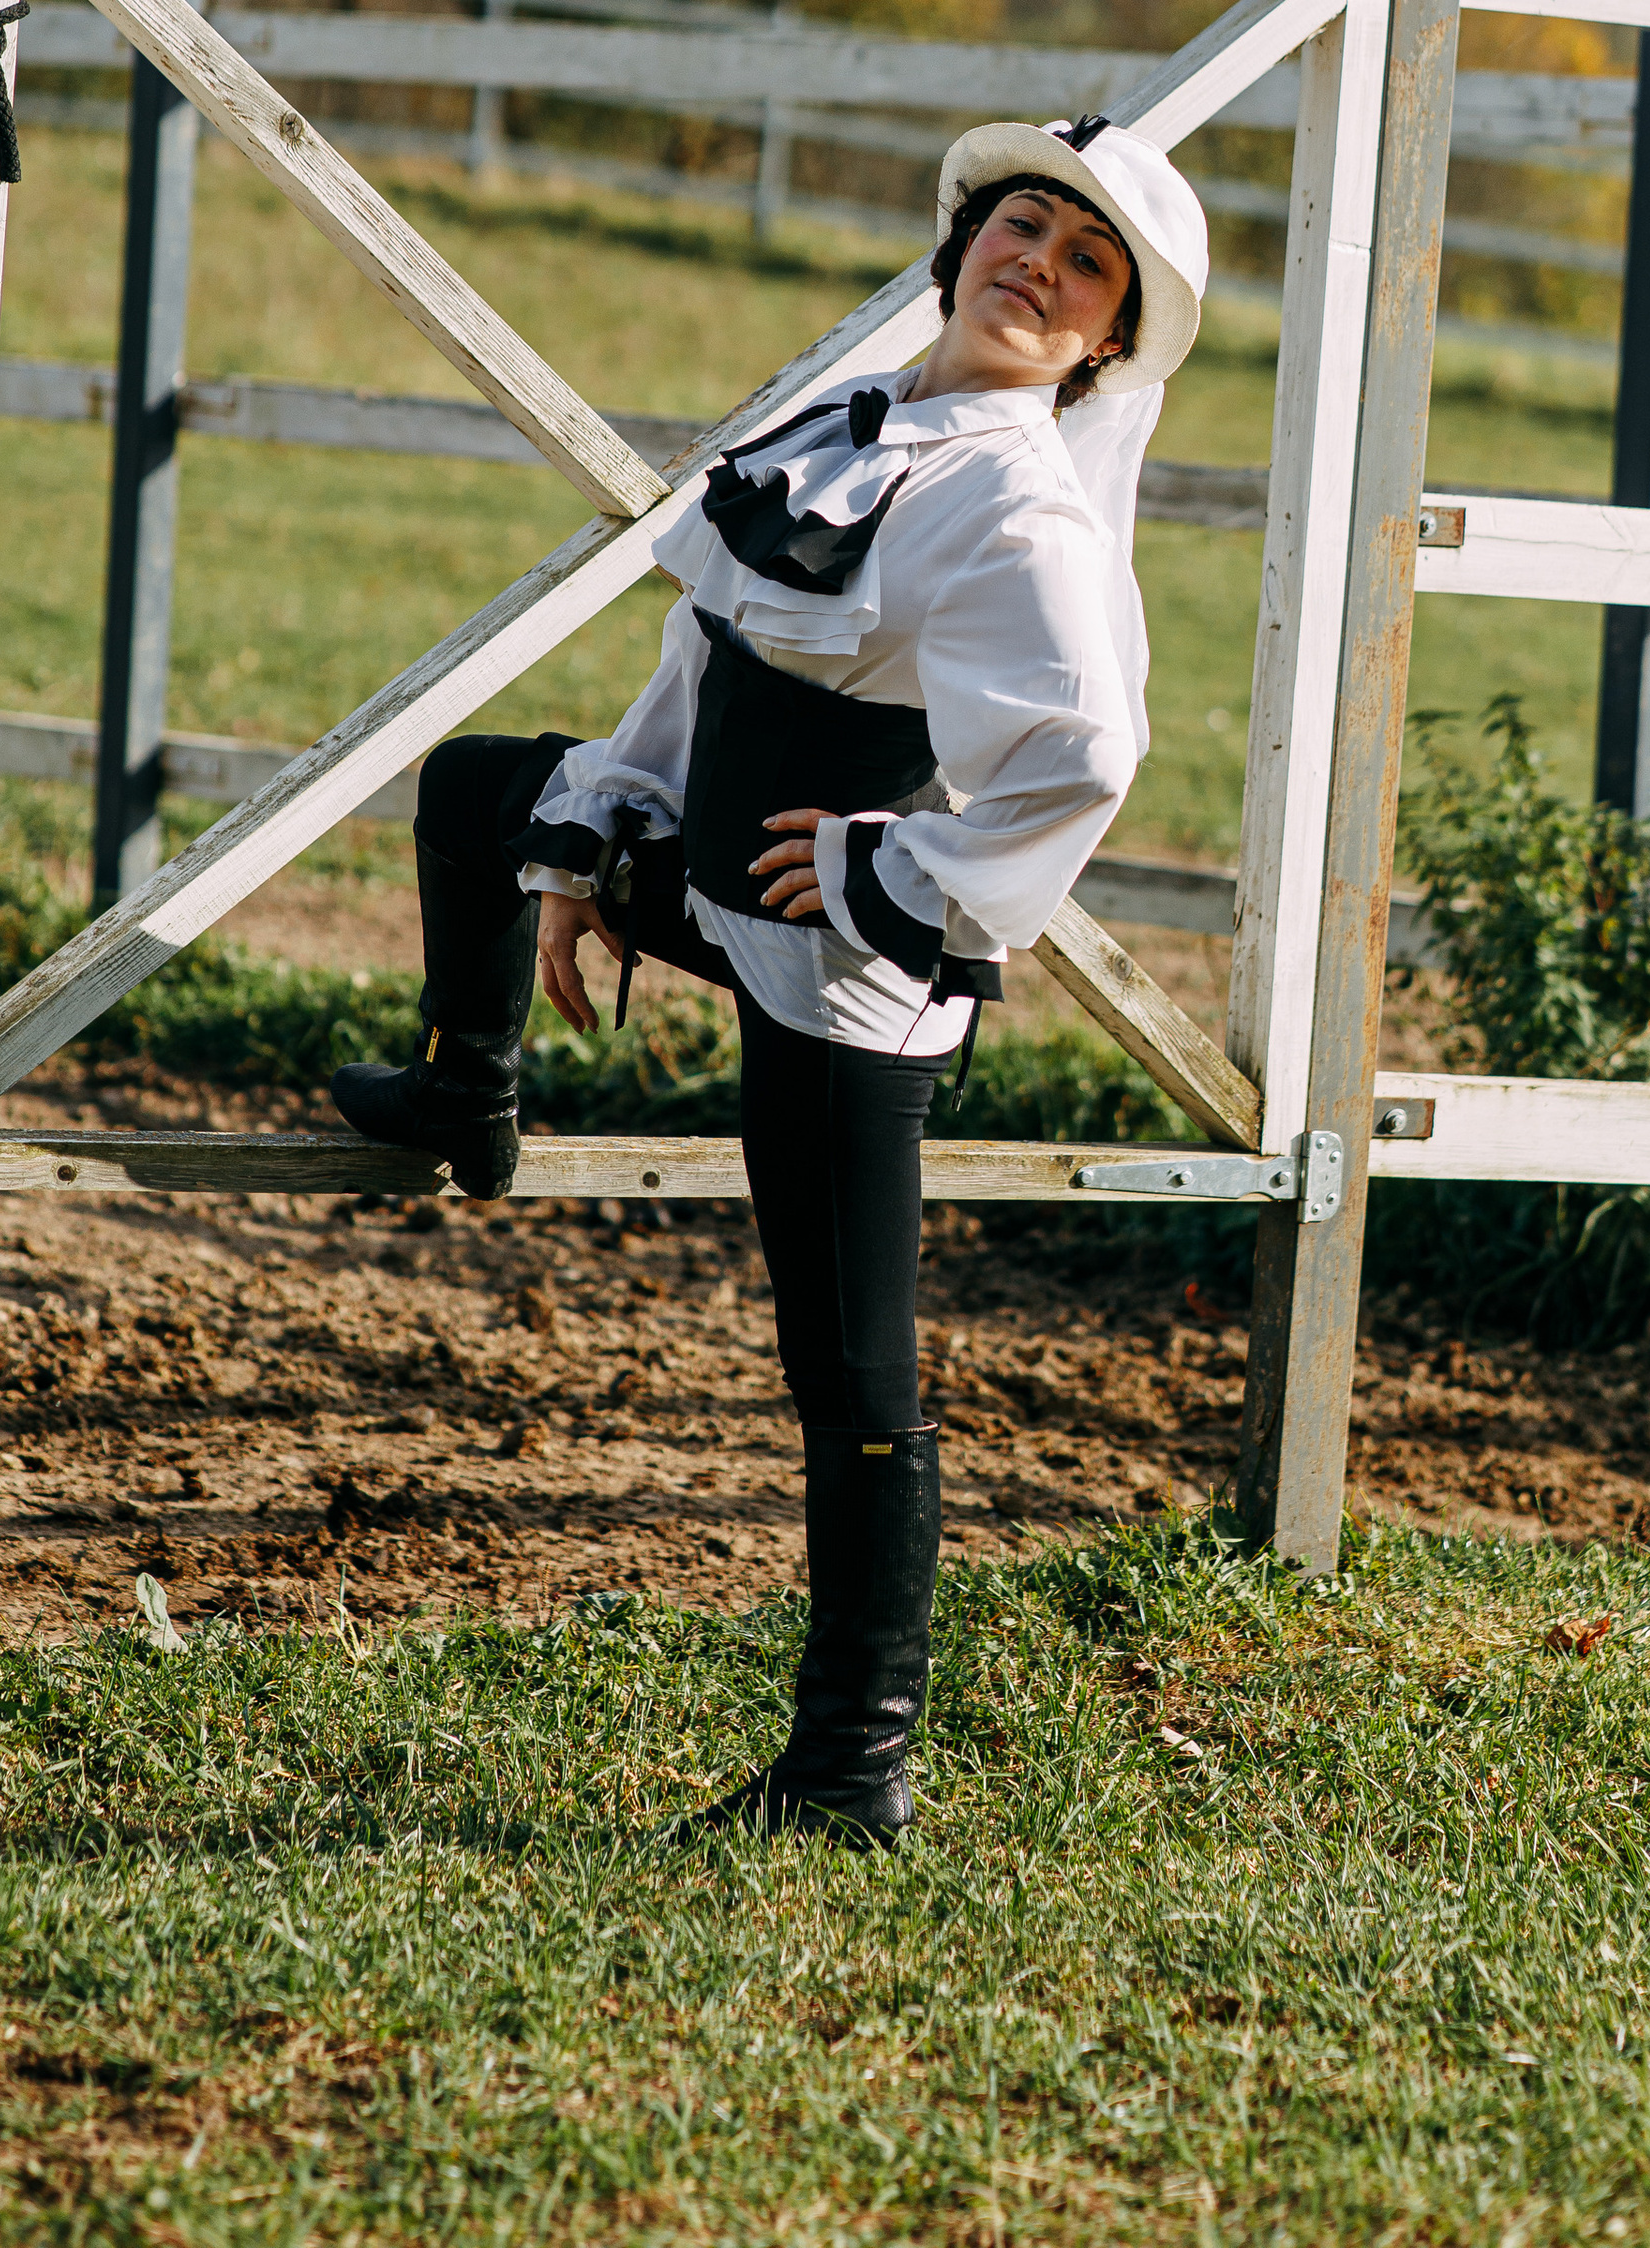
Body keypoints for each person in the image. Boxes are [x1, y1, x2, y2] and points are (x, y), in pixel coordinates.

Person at [333, 115, 1211, 1844]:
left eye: (1085, 264)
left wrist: (899, 869)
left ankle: (850, 1767)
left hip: (833, 957)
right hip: (714, 874)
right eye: (1022, 227)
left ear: (1106, 341)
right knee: (481, 788)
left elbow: (1084, 753)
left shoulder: (1019, 503)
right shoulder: (847, 421)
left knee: (852, 1371)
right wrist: (589, 848)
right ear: (960, 245)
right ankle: (466, 1085)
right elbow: (708, 647)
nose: (1039, 266)